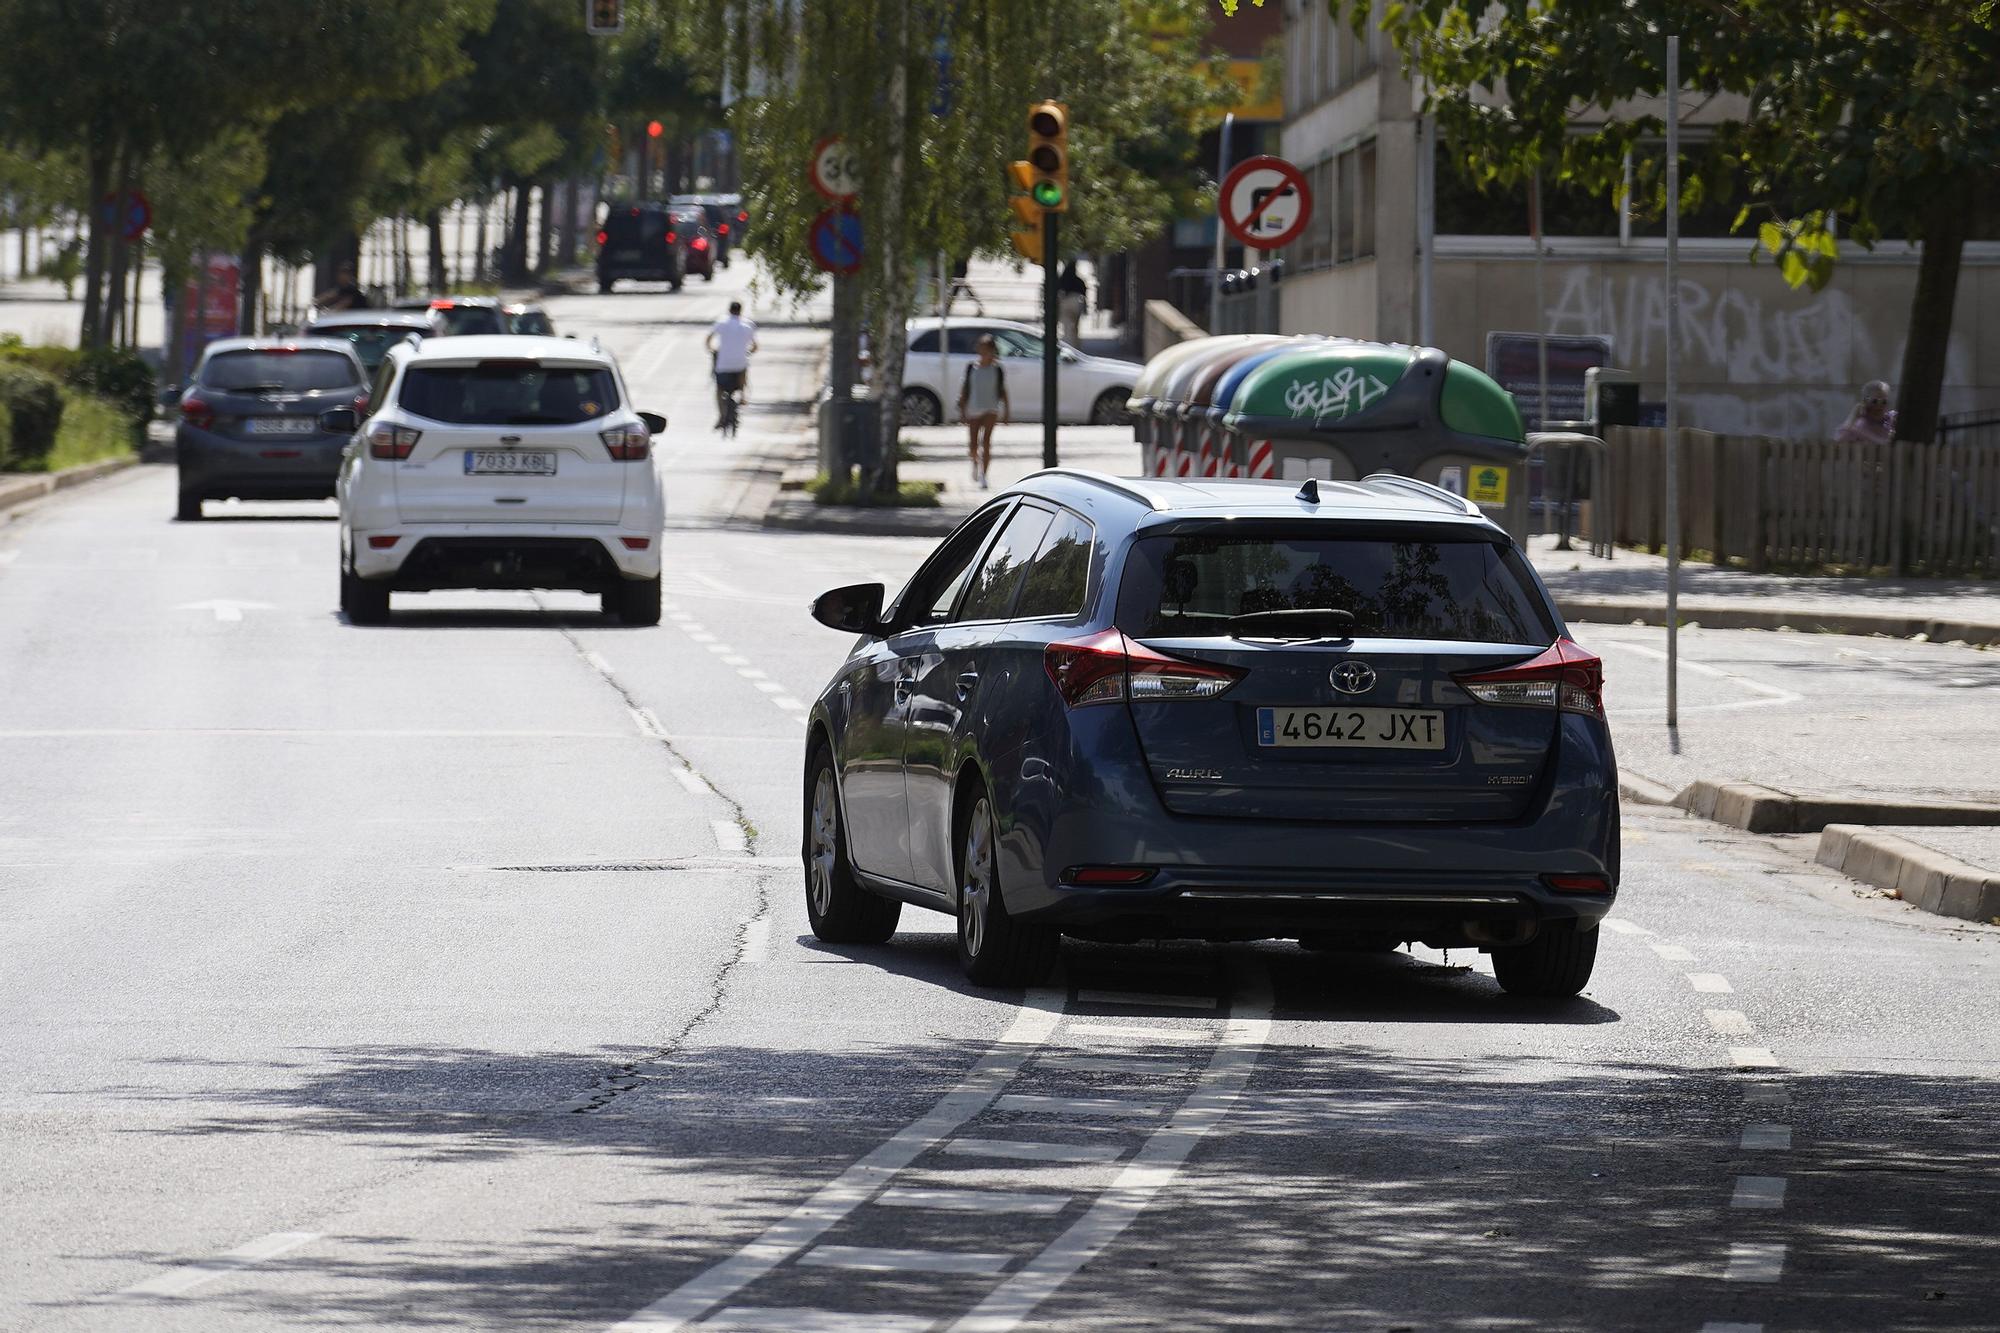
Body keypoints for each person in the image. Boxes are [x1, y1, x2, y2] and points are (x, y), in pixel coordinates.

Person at [957, 334, 1008, 490]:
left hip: (991, 409)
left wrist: (1007, 411)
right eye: (981, 348)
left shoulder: (997, 369)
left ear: (992, 350)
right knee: (973, 445)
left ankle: (984, 475)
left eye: (987, 349)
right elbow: (964, 391)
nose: (984, 352)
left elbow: (1003, 391)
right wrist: (962, 410)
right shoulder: (971, 367)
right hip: (973, 409)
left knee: (986, 442)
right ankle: (974, 462)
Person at [706, 300, 758, 428]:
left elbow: (708, 339)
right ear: (740, 310)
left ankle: (721, 417)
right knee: (743, 369)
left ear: (729, 310)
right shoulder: (748, 324)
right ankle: (743, 396)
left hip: (723, 364)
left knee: (719, 389)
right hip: (740, 363)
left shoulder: (721, 322)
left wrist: (711, 349)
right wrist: (748, 352)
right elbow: (755, 346)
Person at [1835, 380, 1897, 445]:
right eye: (1875, 401)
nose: (1880, 406)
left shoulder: (1891, 420)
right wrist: (1852, 417)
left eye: (1884, 402)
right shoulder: (1859, 425)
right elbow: (1839, 441)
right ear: (1865, 402)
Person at [1058, 261, 1088, 346]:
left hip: (1066, 302)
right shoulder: (1079, 280)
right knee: (1075, 327)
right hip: (1077, 302)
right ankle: (1076, 345)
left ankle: (1067, 345)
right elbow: (1084, 294)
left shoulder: (1063, 279)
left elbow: (1059, 290)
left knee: (1066, 327)